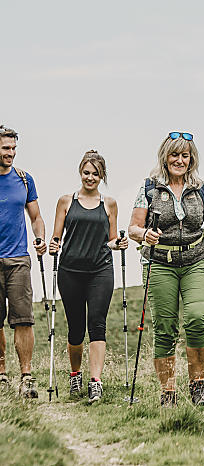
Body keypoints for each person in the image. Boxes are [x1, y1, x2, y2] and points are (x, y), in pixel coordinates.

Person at [128, 131, 204, 407]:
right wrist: (144, 234)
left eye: (184, 155)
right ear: (165, 156)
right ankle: (168, 392)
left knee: (198, 320)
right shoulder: (150, 187)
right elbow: (133, 228)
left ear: (191, 159)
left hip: (195, 260)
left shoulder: (201, 188)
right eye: (174, 154)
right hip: (159, 262)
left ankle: (198, 386)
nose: (179, 160)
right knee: (164, 328)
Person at [49, 150, 128, 403]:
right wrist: (53, 245)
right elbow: (56, 238)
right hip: (70, 271)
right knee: (75, 329)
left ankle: (96, 382)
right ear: (80, 172)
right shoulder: (65, 201)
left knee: (97, 324)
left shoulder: (110, 204)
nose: (90, 178)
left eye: (95, 174)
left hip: (100, 271)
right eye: (86, 172)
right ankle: (75, 374)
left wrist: (120, 244)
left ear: (101, 176)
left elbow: (112, 240)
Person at [0, 124, 47, 397]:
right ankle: (2, 375)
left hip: (18, 258)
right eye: (6, 148)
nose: (11, 153)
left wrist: (39, 237)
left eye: (14, 148)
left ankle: (26, 376)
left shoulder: (24, 179)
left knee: (23, 320)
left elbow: (36, 217)